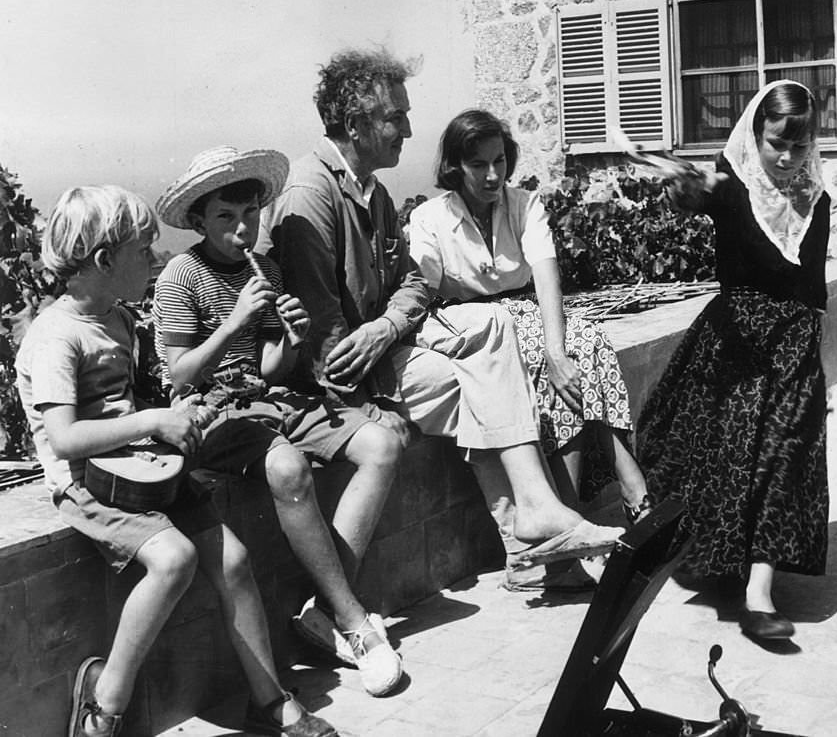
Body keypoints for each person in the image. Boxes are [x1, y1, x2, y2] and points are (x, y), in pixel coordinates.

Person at [256, 47, 623, 581]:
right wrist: (363, 409)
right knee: (481, 380)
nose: (407, 130)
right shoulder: (312, 196)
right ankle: (527, 535)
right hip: (341, 384)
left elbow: (411, 282)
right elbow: (325, 340)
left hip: (381, 351)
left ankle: (529, 528)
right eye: (395, 116)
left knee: (490, 349)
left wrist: (386, 325)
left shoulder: (371, 191)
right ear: (356, 125)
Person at [15, 186, 338, 737]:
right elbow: (64, 438)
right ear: (104, 260)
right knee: (174, 560)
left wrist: (175, 414)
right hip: (88, 482)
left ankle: (269, 702)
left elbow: (139, 401)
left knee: (232, 560)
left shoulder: (117, 319)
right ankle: (104, 702)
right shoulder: (56, 337)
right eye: (144, 250)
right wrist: (151, 423)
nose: (152, 259)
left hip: (141, 471)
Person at [153, 146, 403, 697]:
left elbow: (270, 368)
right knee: (288, 469)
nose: (241, 231)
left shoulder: (264, 268)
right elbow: (179, 375)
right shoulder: (180, 275)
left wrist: (289, 337)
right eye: (224, 218)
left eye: (249, 217)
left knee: (382, 446)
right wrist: (234, 320)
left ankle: (329, 608)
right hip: (211, 411)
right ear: (198, 219)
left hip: (270, 400)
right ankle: (353, 621)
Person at [635, 79, 830, 641]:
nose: (788, 158)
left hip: (793, 345)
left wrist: (821, 365)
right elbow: (695, 197)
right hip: (734, 346)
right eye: (776, 144)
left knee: (783, 455)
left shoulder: (817, 201)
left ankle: (758, 595)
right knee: (725, 456)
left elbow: (813, 289)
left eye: (799, 145)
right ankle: (714, 558)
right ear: (757, 136)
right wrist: (685, 185)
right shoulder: (731, 191)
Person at [407, 109, 651, 531]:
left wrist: (558, 352)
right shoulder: (431, 218)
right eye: (478, 164)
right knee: (544, 356)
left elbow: (545, 273)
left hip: (526, 310)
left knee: (584, 339)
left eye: (499, 161)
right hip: (474, 324)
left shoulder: (523, 204)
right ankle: (622, 497)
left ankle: (605, 500)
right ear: (455, 167)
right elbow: (420, 291)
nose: (491, 175)